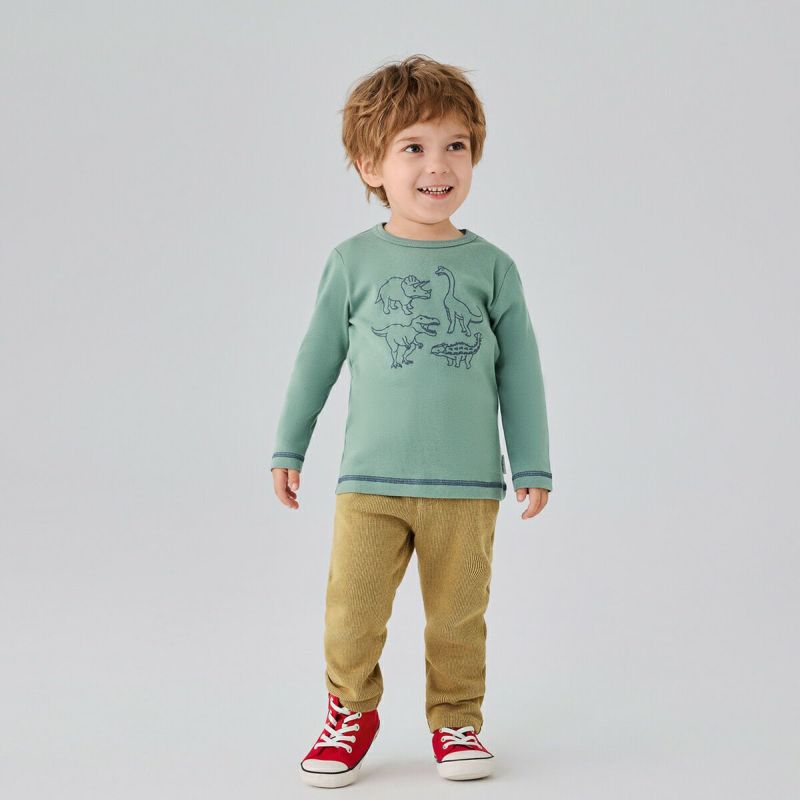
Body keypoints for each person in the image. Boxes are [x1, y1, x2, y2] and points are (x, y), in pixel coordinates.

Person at [271, 54, 552, 788]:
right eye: (414, 147)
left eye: (455, 145)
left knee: (458, 619)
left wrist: (532, 462)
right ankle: (349, 711)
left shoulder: (493, 268)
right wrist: (289, 446)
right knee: (351, 614)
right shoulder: (352, 263)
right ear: (372, 165)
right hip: (370, 482)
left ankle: (456, 721)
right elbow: (315, 360)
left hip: (467, 486)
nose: (438, 165)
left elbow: (520, 373)